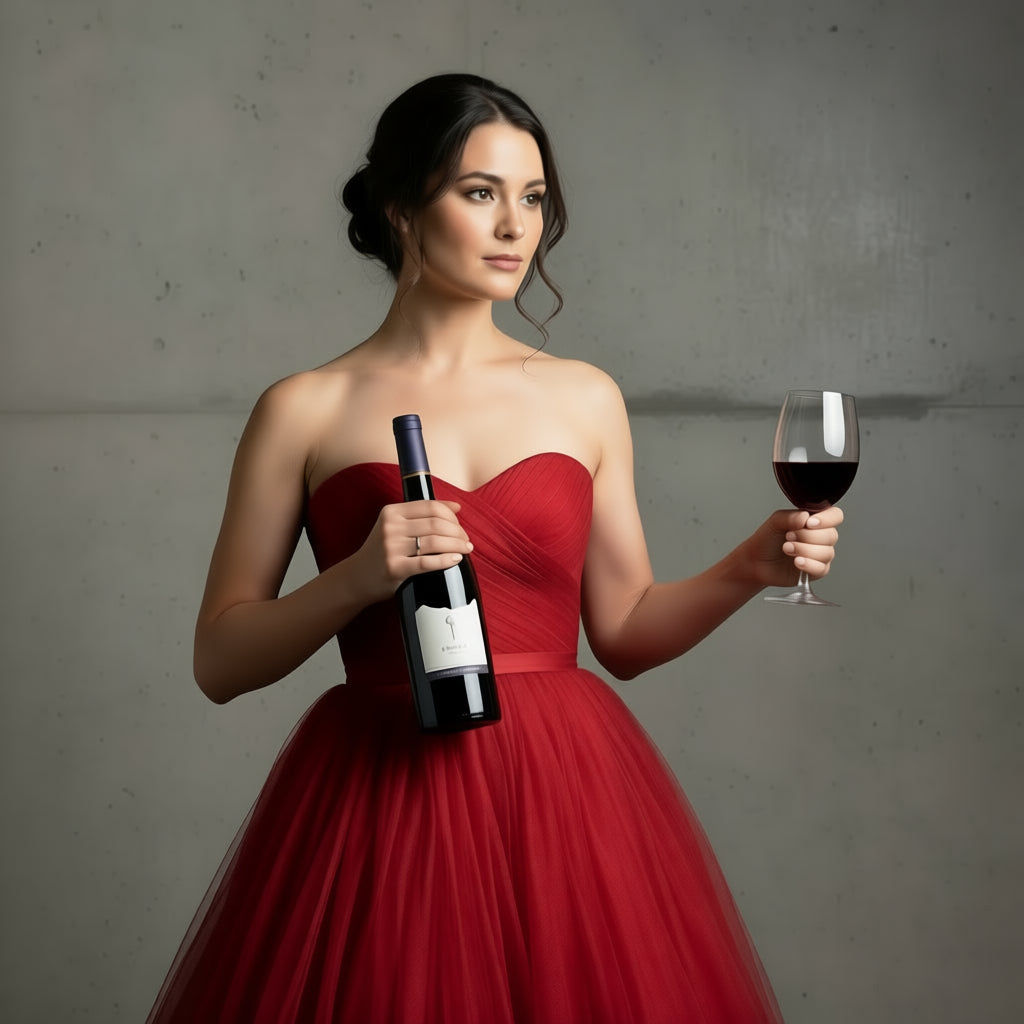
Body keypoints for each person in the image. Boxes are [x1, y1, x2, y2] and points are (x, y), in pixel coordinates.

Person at [147, 73, 842, 1023]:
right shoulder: (303, 409)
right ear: (401, 209)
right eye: (481, 194)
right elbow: (219, 661)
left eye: (534, 198)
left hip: (563, 798)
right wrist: (354, 580)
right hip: (379, 806)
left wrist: (744, 568)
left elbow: (626, 635)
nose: (517, 226)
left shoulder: (582, 396)